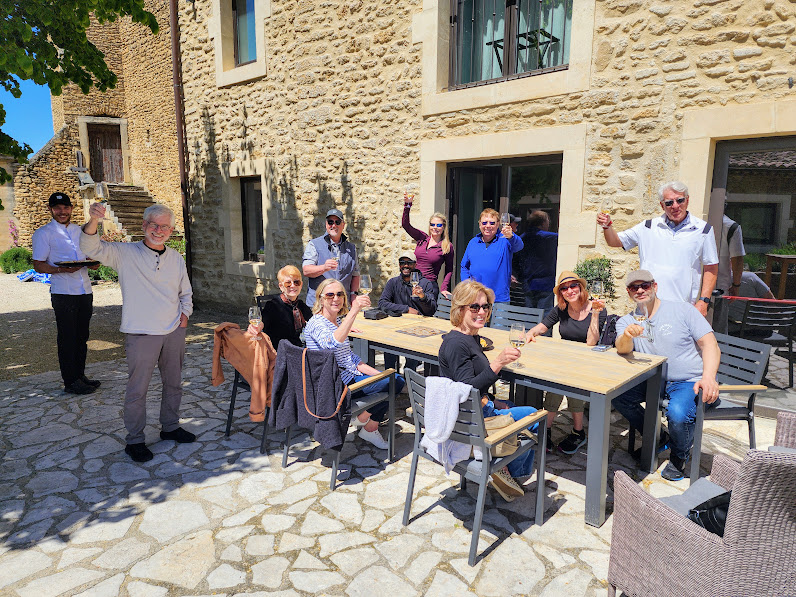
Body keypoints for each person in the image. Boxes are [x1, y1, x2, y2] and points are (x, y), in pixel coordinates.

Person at [81, 202, 194, 463]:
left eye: (165, 226)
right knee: (137, 389)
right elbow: (90, 247)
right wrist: (94, 220)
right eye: (153, 224)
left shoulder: (176, 258)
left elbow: (185, 291)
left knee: (174, 383)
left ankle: (170, 427)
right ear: (143, 226)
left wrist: (184, 317)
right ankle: (135, 440)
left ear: (172, 230)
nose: (159, 230)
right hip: (141, 333)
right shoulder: (125, 253)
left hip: (174, 330)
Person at [612, 270, 721, 481]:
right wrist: (627, 335)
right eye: (635, 287)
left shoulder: (682, 310)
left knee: (678, 414)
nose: (641, 290)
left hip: (688, 380)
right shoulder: (627, 321)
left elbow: (710, 344)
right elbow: (623, 349)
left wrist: (708, 376)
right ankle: (659, 436)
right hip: (653, 381)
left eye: (645, 285)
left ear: (655, 286)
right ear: (629, 292)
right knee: (619, 397)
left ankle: (679, 456)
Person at [438, 280, 539, 502]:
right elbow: (467, 389)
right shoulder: (456, 344)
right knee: (534, 416)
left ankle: (504, 465)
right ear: (460, 309)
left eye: (486, 307)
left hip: (478, 408)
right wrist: (498, 363)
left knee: (511, 406)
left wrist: (491, 399)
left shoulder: (470, 337)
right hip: (473, 421)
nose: (482, 312)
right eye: (474, 307)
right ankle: (508, 472)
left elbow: (469, 383)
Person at [304, 278, 405, 450]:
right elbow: (331, 343)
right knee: (394, 382)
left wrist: (378, 374)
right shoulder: (316, 323)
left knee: (394, 379)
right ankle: (368, 425)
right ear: (321, 299)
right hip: (335, 386)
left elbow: (351, 358)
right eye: (330, 295)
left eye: (340, 294)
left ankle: (364, 419)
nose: (336, 298)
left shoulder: (335, 322)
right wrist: (354, 310)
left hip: (349, 377)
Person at [597, 181, 719, 316]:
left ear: (687, 200)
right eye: (669, 203)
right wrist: (607, 226)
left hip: (682, 308)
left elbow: (711, 267)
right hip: (647, 307)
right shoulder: (647, 227)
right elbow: (616, 241)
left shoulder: (703, 230)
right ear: (662, 205)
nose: (675, 206)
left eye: (680, 200)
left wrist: (704, 301)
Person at [526, 271, 607, 454]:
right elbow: (544, 325)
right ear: (560, 293)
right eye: (564, 288)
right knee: (557, 380)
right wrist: (530, 333)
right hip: (566, 360)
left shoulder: (597, 308)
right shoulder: (561, 309)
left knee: (568, 380)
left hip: (589, 361)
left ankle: (570, 431)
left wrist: (594, 314)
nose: (569, 290)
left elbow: (591, 342)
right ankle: (559, 430)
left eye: (573, 286)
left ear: (580, 287)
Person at [32, 192, 101, 395]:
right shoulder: (43, 233)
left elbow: (89, 255)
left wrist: (93, 262)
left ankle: (80, 375)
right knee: (67, 337)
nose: (62, 212)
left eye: (65, 207)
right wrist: (61, 269)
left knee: (82, 336)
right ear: (51, 210)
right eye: (57, 208)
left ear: (71, 208)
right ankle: (70, 381)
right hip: (64, 293)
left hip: (85, 290)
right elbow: (38, 265)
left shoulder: (80, 231)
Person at [378, 253, 436, 374]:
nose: (405, 265)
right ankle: (391, 380)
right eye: (402, 262)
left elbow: (432, 310)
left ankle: (409, 379)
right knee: (387, 343)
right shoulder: (393, 283)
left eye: (409, 263)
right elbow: (382, 303)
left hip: (418, 330)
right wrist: (406, 309)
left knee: (411, 356)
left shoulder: (425, 284)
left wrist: (423, 297)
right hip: (396, 328)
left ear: (415, 264)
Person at [460, 208, 523, 304]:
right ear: (479, 224)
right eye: (484, 223)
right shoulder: (473, 242)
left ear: (498, 224)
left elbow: (519, 246)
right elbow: (464, 266)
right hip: (476, 298)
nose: (488, 226)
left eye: (492, 223)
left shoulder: (505, 240)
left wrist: (511, 236)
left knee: (499, 320)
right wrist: (467, 284)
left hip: (499, 299)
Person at [302, 209, 360, 307]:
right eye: (330, 222)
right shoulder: (314, 244)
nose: (333, 225)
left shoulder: (352, 248)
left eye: (337, 222)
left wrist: (353, 296)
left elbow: (355, 274)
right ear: (326, 224)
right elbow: (306, 270)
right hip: (319, 306)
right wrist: (324, 267)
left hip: (342, 305)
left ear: (343, 225)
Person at [401, 193, 454, 299]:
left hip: (429, 286)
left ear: (443, 227)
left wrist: (444, 288)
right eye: (432, 224)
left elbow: (449, 269)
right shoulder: (422, 238)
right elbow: (405, 225)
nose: (435, 227)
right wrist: (407, 205)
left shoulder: (447, 246)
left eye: (439, 225)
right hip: (413, 283)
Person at [258, 265, 312, 349]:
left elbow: (313, 321)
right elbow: (262, 325)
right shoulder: (273, 306)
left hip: (299, 349)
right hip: (281, 351)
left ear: (301, 285)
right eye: (288, 283)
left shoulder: (300, 305)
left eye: (296, 282)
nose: (293, 286)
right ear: (281, 286)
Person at [515, 210, 558, 311]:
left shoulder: (521, 239)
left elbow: (516, 261)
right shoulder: (553, 238)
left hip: (527, 284)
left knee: (529, 318)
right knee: (545, 319)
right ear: (543, 223)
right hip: (546, 284)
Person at [713, 215, 746, 333]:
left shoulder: (694, 222)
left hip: (700, 290)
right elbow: (737, 260)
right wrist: (736, 286)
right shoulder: (730, 226)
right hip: (719, 290)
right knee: (718, 335)